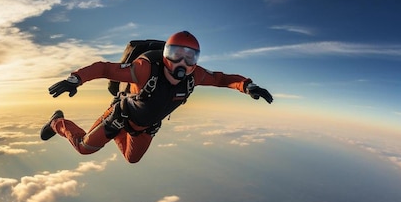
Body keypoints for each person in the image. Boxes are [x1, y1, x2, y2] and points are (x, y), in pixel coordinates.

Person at [40, 31, 273, 163]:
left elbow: (222, 79)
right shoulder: (144, 68)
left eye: (189, 58)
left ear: (196, 61)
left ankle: (121, 132)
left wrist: (247, 86)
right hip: (118, 117)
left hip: (145, 127)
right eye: (175, 55)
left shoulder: (194, 77)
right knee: (84, 148)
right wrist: (76, 79)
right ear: (164, 55)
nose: (181, 64)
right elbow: (104, 69)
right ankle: (57, 122)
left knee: (132, 159)